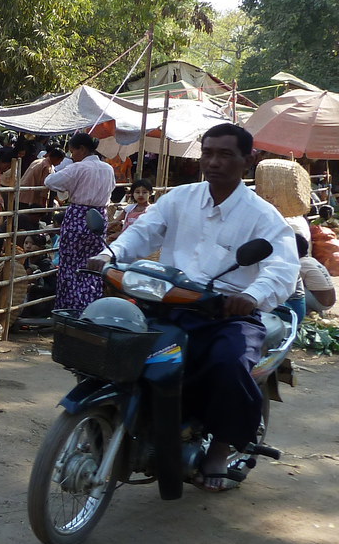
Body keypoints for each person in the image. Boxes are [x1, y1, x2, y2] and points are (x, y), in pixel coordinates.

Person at [88, 123, 299, 492]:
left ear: (247, 161)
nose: (214, 162)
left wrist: (251, 295)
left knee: (228, 365)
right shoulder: (179, 198)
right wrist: (110, 253)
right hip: (169, 302)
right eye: (208, 153)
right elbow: (144, 232)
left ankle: (220, 447)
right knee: (109, 337)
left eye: (225, 155)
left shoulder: (264, 216)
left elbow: (282, 267)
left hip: (227, 315)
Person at [44, 133, 115, 313]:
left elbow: (50, 181)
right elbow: (112, 187)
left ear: (82, 149)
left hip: (78, 216)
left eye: (73, 151)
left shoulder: (78, 168)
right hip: (100, 216)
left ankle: (70, 309)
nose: (72, 155)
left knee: (70, 264)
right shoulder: (108, 168)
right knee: (93, 264)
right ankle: (90, 306)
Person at [16, 147, 66, 230]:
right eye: (60, 161)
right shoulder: (47, 167)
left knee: (20, 219)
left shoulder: (38, 161)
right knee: (27, 222)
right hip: (30, 198)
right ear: (56, 158)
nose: (60, 163)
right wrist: (44, 208)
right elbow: (44, 189)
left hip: (22, 193)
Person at [106, 178, 153, 243]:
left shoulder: (152, 210)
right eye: (137, 192)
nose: (140, 195)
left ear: (150, 193)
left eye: (144, 192)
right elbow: (115, 221)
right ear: (132, 194)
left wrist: (120, 234)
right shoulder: (129, 209)